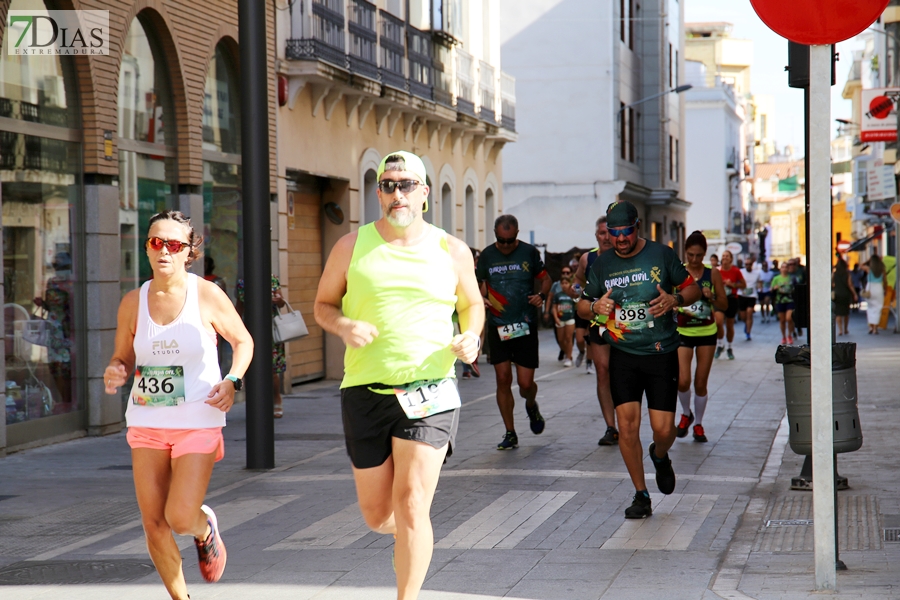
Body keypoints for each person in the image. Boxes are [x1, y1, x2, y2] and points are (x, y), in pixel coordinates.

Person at [314, 151, 484, 600]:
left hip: (430, 390)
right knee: (378, 516)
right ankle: (408, 539)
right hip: (365, 392)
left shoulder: (451, 249)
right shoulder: (351, 247)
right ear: (378, 193)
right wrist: (344, 325)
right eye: (388, 185)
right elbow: (323, 306)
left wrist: (472, 337)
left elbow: (472, 304)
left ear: (424, 193)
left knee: (411, 503)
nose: (397, 193)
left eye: (406, 184)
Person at [103, 210, 253, 600]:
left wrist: (232, 380)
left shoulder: (206, 294)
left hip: (198, 418)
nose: (164, 251)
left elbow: (243, 341)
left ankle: (204, 529)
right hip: (147, 420)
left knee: (180, 516)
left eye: (174, 244)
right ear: (146, 248)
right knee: (154, 523)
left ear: (189, 252)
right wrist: (116, 370)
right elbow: (123, 357)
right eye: (156, 242)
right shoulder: (132, 302)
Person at [577, 201, 700, 519]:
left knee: (663, 430)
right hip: (624, 355)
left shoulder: (661, 254)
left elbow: (694, 289)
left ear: (637, 227)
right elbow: (582, 303)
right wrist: (594, 309)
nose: (619, 239)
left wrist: (675, 299)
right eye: (613, 234)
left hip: (661, 354)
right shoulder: (602, 264)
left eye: (625, 232)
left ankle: (660, 456)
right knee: (627, 427)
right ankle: (641, 494)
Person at [478, 214, 551, 450]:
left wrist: (541, 296)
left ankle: (531, 404)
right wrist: (481, 298)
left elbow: (546, 279)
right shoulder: (487, 255)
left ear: (517, 235)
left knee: (525, 383)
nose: (506, 245)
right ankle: (510, 432)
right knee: (502, 379)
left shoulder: (529, 253)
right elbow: (477, 283)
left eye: (510, 241)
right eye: (501, 240)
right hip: (498, 325)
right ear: (495, 235)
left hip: (524, 325)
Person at [675, 232, 728, 444]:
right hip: (683, 331)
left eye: (698, 255)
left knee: (700, 382)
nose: (694, 260)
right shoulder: (679, 272)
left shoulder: (712, 274)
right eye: (690, 255)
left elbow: (724, 304)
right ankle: (685, 413)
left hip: (706, 332)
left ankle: (698, 423)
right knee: (683, 380)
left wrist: (711, 297)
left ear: (705, 254)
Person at [573, 215, 618, 446]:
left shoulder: (625, 257)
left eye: (609, 233)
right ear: (596, 235)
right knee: (602, 371)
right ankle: (611, 427)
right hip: (598, 322)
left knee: (621, 373)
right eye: (601, 233)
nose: (606, 238)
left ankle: (628, 420)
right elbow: (578, 281)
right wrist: (580, 296)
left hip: (624, 325)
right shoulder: (587, 258)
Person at [236, 275, 287, 418]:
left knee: (272, 369)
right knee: (250, 368)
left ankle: (276, 398)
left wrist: (278, 301)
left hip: (271, 329)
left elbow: (282, 303)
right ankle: (256, 403)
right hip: (250, 329)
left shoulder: (272, 279)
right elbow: (239, 308)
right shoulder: (242, 282)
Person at [714, 250, 745, 359]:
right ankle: (720, 344)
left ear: (731, 259)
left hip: (732, 299)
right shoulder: (717, 271)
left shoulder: (736, 271)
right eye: (723, 256)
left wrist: (732, 284)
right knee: (718, 322)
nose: (725, 258)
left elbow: (743, 285)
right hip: (720, 299)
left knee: (729, 325)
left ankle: (729, 347)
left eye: (727, 256)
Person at [550, 268, 576, 366]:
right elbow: (554, 308)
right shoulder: (557, 295)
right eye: (562, 283)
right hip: (560, 319)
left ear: (569, 284)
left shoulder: (573, 295)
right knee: (561, 339)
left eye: (566, 283)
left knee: (569, 338)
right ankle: (566, 352)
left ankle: (568, 357)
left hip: (570, 318)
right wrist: (556, 318)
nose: (564, 285)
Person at [771, 262, 795, 344]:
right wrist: (775, 288)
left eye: (786, 267)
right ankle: (784, 336)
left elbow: (795, 288)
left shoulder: (791, 278)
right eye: (783, 267)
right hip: (780, 301)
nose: (784, 269)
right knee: (782, 320)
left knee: (789, 318)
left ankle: (789, 335)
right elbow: (771, 289)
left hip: (790, 300)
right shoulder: (776, 278)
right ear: (780, 269)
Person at [832, 258, 857, 336]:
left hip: (837, 295)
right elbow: (850, 285)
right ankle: (846, 329)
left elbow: (831, 283)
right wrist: (855, 294)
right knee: (846, 313)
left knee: (838, 313)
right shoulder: (847, 274)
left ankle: (840, 330)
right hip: (846, 295)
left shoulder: (834, 274)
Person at [739, 256, 761, 341]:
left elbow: (759, 283)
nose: (748, 265)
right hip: (742, 295)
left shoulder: (757, 273)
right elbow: (737, 281)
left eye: (749, 264)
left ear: (752, 264)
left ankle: (748, 332)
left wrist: (760, 288)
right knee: (743, 316)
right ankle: (746, 324)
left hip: (752, 296)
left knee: (749, 313)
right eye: (746, 264)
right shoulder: (741, 272)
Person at [863, 254, 886, 335]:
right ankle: (875, 328)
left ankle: (871, 327)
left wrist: (868, 260)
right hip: (879, 288)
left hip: (870, 288)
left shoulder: (869, 269)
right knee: (878, 308)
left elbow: (861, 265)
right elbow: (885, 280)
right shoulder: (882, 269)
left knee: (870, 308)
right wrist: (885, 289)